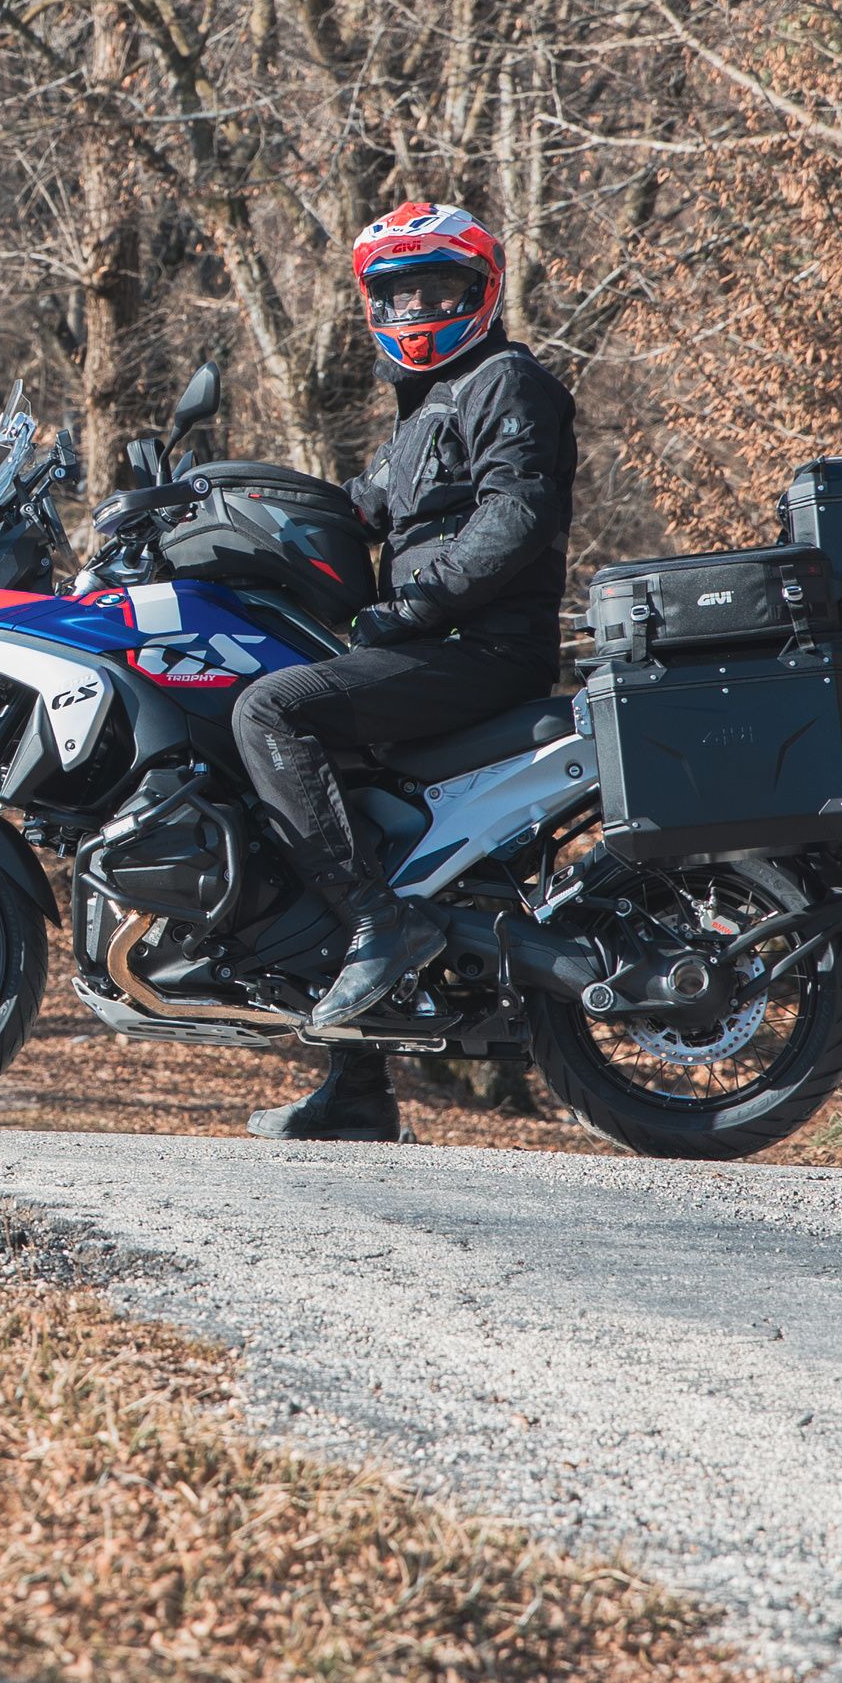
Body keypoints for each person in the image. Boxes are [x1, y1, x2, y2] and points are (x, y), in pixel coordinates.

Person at [232, 203, 577, 1142]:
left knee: (271, 713)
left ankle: (382, 924)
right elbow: (357, 509)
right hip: (432, 646)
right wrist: (223, 510)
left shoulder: (506, 380)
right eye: (399, 294)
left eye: (437, 289)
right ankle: (357, 1088)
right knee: (332, 811)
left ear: (482, 290)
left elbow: (516, 515)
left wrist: (415, 606)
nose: (418, 309)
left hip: (479, 650)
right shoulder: (427, 407)